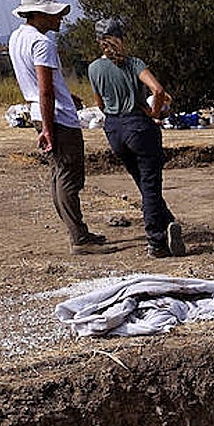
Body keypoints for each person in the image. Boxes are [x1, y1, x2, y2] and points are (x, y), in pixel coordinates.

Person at [8, 0, 105, 253]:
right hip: (57, 118)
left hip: (43, 112)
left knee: (58, 175)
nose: (59, 19)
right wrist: (50, 129)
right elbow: (45, 89)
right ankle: (79, 238)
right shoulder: (43, 43)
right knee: (68, 176)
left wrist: (64, 97)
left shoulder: (17, 37)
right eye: (54, 14)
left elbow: (41, 86)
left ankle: (79, 232)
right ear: (39, 15)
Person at [86, 18, 187, 259]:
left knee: (142, 183)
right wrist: (154, 112)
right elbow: (159, 91)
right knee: (151, 184)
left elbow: (100, 104)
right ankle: (157, 241)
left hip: (113, 128)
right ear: (121, 38)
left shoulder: (93, 69)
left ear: (100, 42)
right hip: (138, 126)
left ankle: (167, 221)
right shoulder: (133, 64)